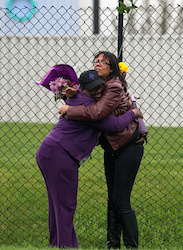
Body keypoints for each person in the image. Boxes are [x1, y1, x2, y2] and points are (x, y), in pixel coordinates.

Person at [36, 69, 143, 249]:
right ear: (83, 89)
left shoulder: (77, 97)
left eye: (100, 87)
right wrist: (134, 113)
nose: (98, 92)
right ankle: (66, 246)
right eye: (93, 89)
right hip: (60, 155)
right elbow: (115, 125)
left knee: (58, 205)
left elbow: (76, 96)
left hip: (51, 151)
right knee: (66, 206)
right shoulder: (89, 107)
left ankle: (58, 245)